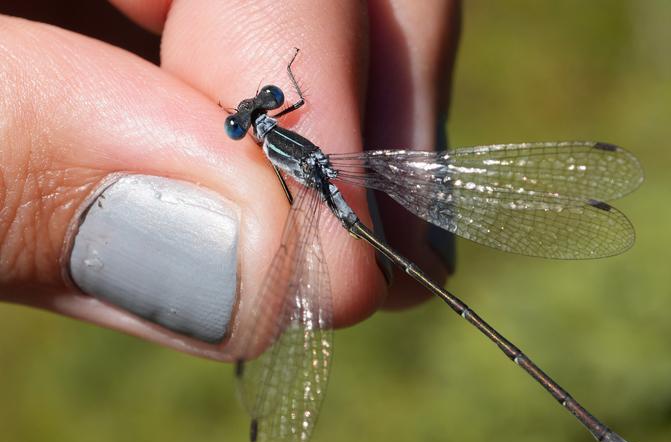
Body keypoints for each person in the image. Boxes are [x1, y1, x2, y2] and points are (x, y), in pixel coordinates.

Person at [0, 0, 460, 361]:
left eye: (257, 109)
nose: (253, 114)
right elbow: (296, 95)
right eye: (246, 119)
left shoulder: (270, 152)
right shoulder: (284, 124)